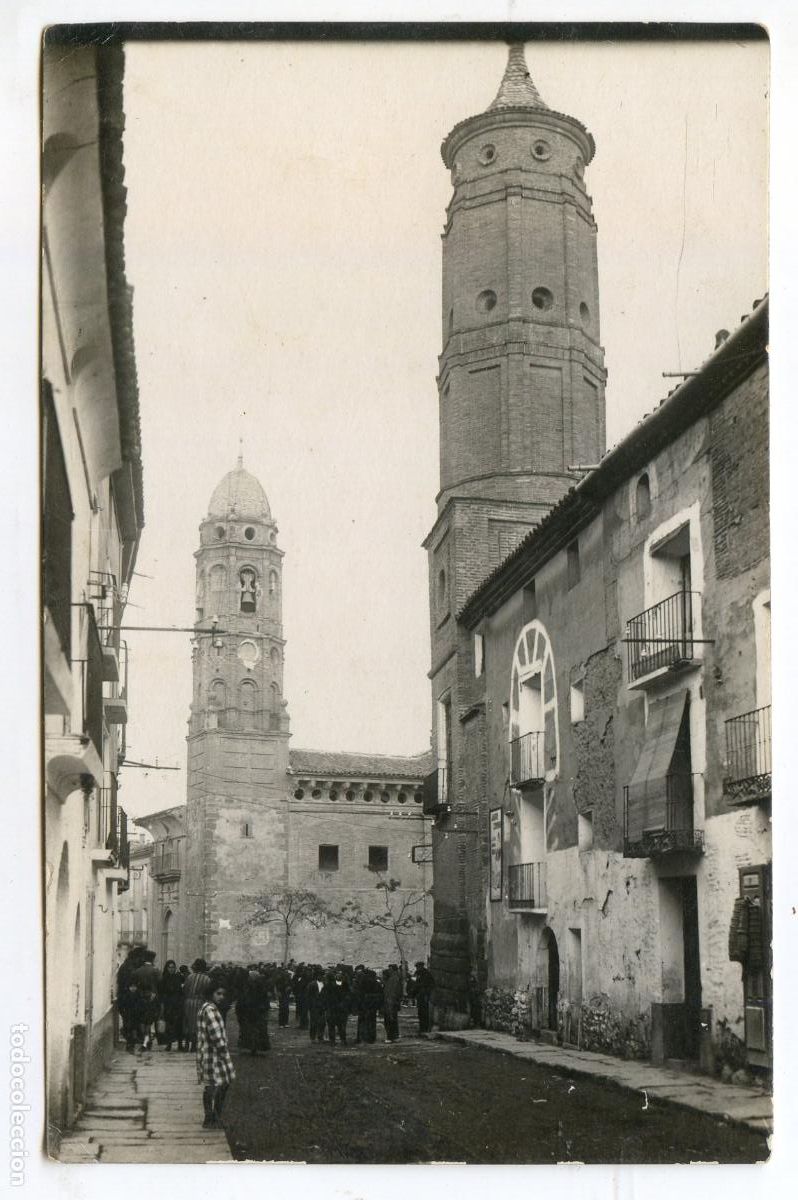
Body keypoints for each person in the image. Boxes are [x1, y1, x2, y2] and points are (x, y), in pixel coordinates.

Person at [196, 981, 236, 1129]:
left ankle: (210, 1117)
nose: (221, 997)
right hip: (214, 1053)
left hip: (207, 1052)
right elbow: (215, 1034)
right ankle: (213, 1116)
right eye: (218, 993)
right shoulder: (211, 1010)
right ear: (210, 993)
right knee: (219, 1084)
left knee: (213, 1084)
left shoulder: (206, 1007)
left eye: (223, 994)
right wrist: (223, 1050)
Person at [236, 965, 271, 1055]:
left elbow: (246, 999)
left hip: (253, 1011)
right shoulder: (260, 987)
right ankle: (255, 1047)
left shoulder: (250, 987)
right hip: (257, 1011)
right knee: (257, 1030)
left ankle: (252, 1047)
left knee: (251, 1030)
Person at [116, 945, 146, 1053]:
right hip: (129, 1000)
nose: (142, 960)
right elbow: (131, 986)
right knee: (130, 1022)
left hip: (126, 1000)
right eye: (141, 958)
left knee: (129, 1022)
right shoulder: (130, 968)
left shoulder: (126, 966)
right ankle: (130, 1044)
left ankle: (131, 1043)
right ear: (136, 957)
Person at [131, 950, 160, 1051]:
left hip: (140, 999)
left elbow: (133, 987)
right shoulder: (156, 971)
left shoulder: (137, 971)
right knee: (149, 1022)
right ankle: (147, 1041)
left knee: (142, 1021)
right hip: (152, 999)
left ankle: (145, 1040)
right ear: (152, 959)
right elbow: (160, 985)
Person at [183, 958, 211, 1052]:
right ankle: (194, 1045)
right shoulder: (207, 979)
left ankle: (187, 1044)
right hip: (200, 1003)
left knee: (188, 1022)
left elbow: (185, 989)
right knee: (197, 1023)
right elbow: (208, 993)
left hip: (188, 1002)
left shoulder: (190, 977)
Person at [159, 959, 184, 1051]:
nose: (171, 969)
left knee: (179, 1024)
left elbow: (182, 990)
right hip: (168, 1004)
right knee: (169, 1024)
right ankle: (169, 1044)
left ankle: (180, 1044)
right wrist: (162, 1005)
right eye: (170, 967)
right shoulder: (164, 978)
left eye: (173, 967)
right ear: (167, 968)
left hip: (177, 1004)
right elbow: (161, 993)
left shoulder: (178, 977)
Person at [322, 969, 350, 1047]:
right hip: (333, 1009)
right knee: (333, 1026)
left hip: (340, 1009)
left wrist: (344, 1004)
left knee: (340, 1026)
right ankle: (334, 1041)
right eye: (337, 974)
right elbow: (324, 996)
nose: (338, 976)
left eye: (340, 974)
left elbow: (349, 996)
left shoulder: (345, 985)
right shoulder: (329, 985)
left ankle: (341, 1040)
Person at [413, 962, 434, 1035]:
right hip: (420, 996)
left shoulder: (426, 974)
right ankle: (422, 1028)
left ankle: (425, 1028)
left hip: (424, 996)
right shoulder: (420, 974)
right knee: (421, 1012)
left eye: (418, 967)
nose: (417, 968)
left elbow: (428, 985)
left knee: (424, 1012)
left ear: (421, 966)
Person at [382, 964, 402, 1044]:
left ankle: (391, 1037)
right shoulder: (394, 978)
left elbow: (391, 993)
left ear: (393, 970)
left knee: (390, 1020)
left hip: (390, 1002)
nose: (389, 971)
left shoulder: (394, 979)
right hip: (391, 1002)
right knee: (392, 1020)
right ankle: (394, 1036)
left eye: (390, 969)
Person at [307, 966, 326, 1042]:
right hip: (314, 1006)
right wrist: (310, 1006)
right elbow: (308, 996)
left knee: (322, 1022)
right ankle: (313, 1038)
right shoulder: (312, 984)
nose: (321, 977)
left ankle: (320, 1037)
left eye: (322, 975)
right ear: (317, 976)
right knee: (313, 1022)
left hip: (322, 1006)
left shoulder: (325, 984)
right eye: (320, 975)